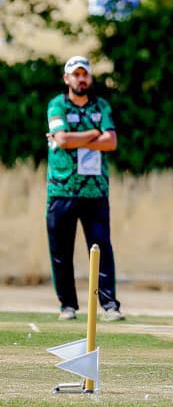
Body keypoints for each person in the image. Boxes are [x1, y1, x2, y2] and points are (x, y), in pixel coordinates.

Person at [45, 56, 124, 322]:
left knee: (101, 249)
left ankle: (110, 306)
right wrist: (93, 134)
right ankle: (67, 305)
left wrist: (76, 138)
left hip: (95, 191)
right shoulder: (57, 105)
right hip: (61, 190)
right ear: (67, 78)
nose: (81, 79)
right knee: (61, 252)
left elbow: (111, 141)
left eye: (85, 74)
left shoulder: (101, 106)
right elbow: (62, 139)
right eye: (76, 74)